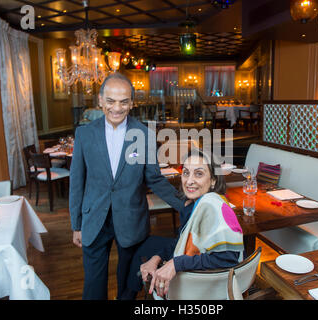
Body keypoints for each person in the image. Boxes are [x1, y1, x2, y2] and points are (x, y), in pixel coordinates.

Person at [69, 72, 184, 300]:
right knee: (93, 285)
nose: (117, 108)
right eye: (110, 101)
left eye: (123, 102)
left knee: (128, 285)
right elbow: (77, 182)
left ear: (131, 102)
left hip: (131, 221)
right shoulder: (84, 134)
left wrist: (187, 204)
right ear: (100, 100)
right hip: (94, 220)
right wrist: (76, 224)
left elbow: (154, 179)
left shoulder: (145, 134)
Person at [124, 149, 244, 299]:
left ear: (213, 180)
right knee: (146, 247)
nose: (189, 180)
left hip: (206, 287)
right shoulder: (196, 204)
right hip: (198, 273)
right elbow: (181, 240)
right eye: (186, 173)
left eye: (199, 173)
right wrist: (157, 258)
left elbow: (228, 258)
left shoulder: (212, 206)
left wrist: (176, 263)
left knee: (142, 249)